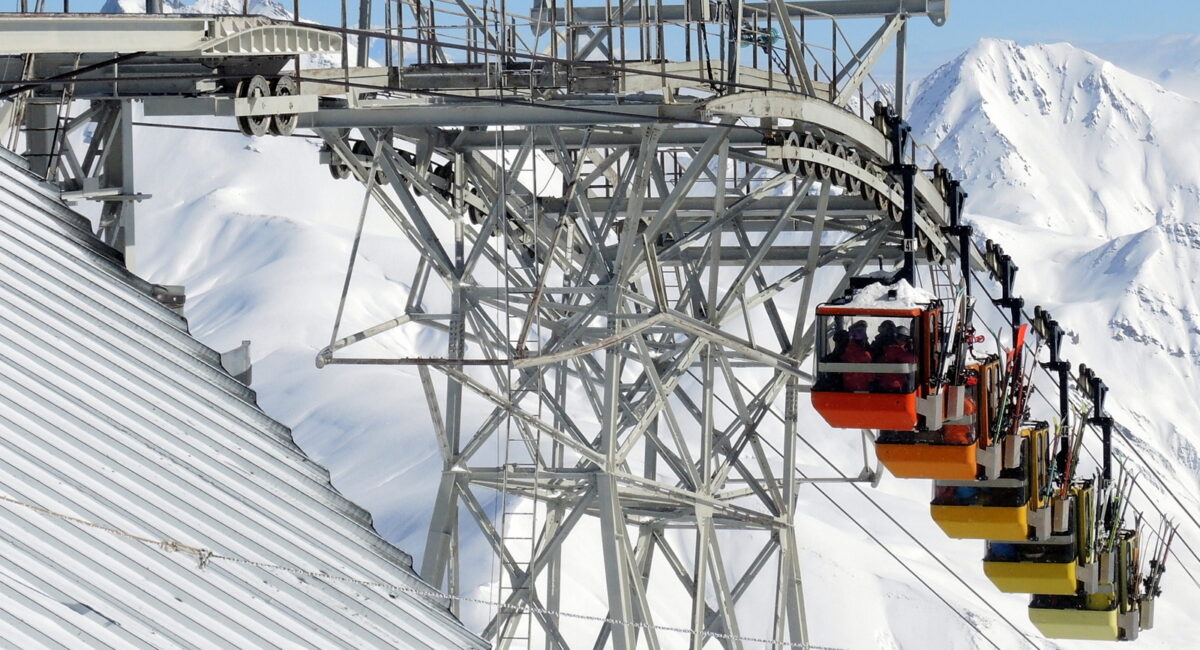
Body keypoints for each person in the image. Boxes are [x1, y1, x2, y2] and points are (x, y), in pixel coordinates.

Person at [877, 326, 917, 392]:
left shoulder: (891, 348)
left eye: (905, 339)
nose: (903, 341)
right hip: (893, 384)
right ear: (895, 337)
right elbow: (912, 360)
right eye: (900, 337)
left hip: (889, 383)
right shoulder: (894, 349)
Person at [840, 321, 874, 391]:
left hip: (847, 390)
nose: (863, 336)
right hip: (863, 390)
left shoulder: (845, 350)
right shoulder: (864, 354)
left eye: (864, 333)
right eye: (859, 333)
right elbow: (871, 377)